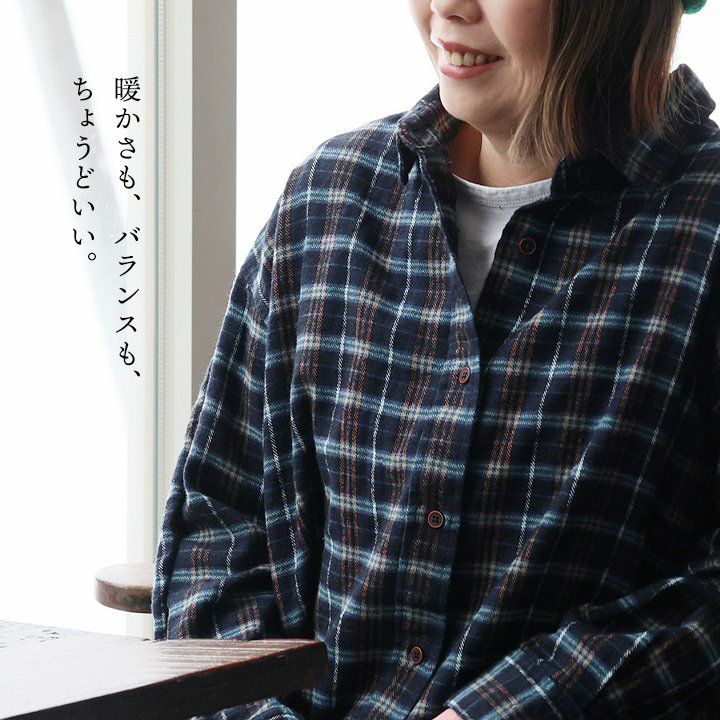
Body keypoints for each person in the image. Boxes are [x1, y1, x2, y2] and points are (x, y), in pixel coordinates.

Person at [151, 0, 720, 718]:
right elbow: (218, 518)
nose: (448, 7)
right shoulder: (327, 202)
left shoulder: (704, 230)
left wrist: (505, 711)